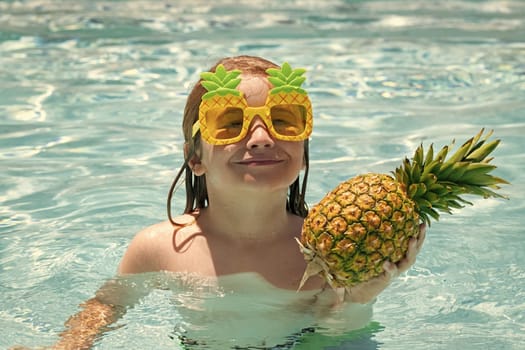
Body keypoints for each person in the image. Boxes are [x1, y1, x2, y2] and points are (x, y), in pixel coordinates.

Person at [16, 55, 425, 349]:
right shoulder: (160, 248)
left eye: (283, 122)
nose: (262, 137)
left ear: (302, 146)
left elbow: (335, 337)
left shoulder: (332, 250)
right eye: (230, 124)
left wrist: (359, 298)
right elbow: (105, 307)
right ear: (195, 157)